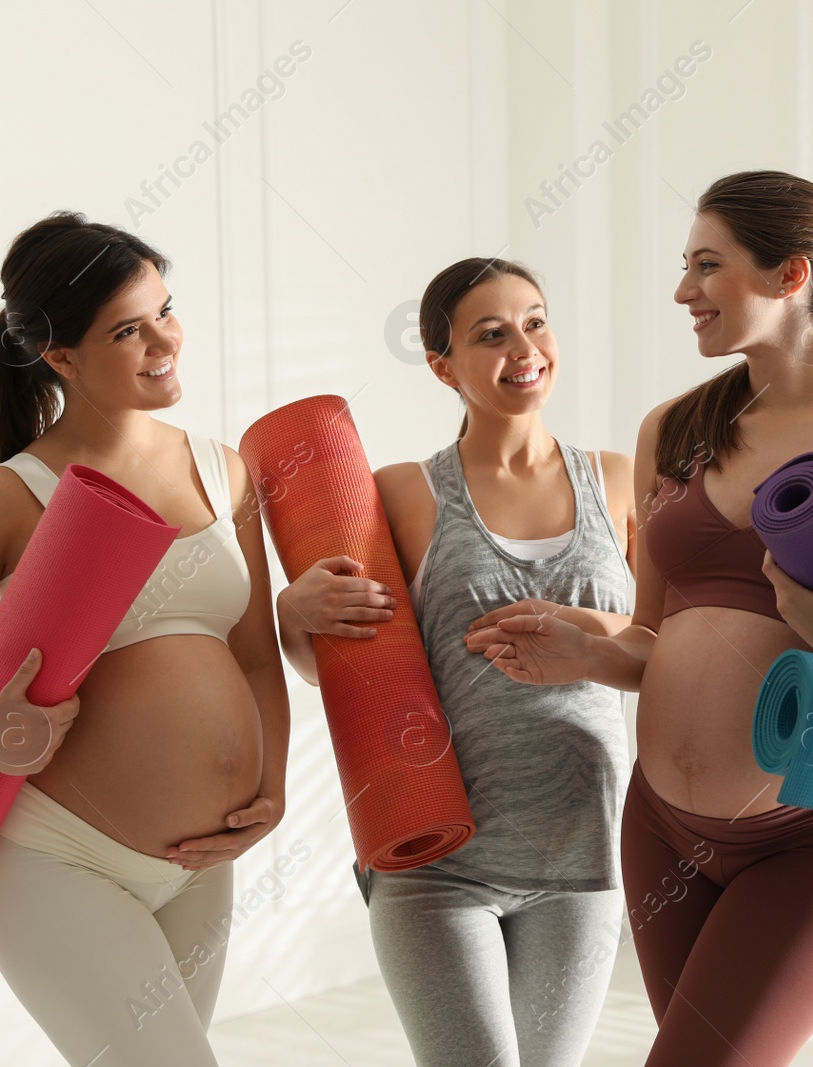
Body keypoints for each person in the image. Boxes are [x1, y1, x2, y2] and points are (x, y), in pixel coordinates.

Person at [465, 170, 813, 1066]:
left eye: (706, 266)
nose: (684, 291)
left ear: (790, 274)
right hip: (659, 826)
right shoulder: (671, 431)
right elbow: (652, 636)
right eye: (685, 266)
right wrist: (584, 651)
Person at [0, 212, 290, 1066]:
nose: (164, 340)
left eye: (166, 310)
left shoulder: (225, 468)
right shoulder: (8, 496)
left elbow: (253, 651)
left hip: (205, 862)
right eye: (128, 329)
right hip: (57, 856)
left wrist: (269, 791)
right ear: (59, 355)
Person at [275, 257, 636, 1067]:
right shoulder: (401, 493)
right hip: (440, 859)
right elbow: (342, 667)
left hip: (585, 849)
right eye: (491, 333)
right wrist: (291, 613)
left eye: (536, 321)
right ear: (442, 364)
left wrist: (580, 630)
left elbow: (670, 640)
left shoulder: (618, 479)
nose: (524, 346)